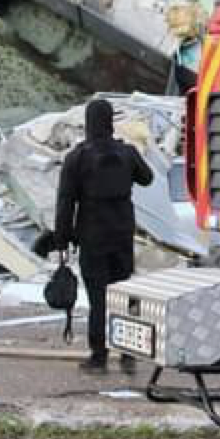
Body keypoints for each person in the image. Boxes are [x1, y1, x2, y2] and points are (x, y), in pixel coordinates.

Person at [40, 97, 153, 373]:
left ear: (88, 123)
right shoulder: (126, 154)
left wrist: (62, 239)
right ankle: (128, 356)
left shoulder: (77, 158)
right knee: (124, 295)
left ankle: (99, 357)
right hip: (122, 234)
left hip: (92, 236)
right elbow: (147, 178)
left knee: (97, 298)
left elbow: (66, 202)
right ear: (111, 121)